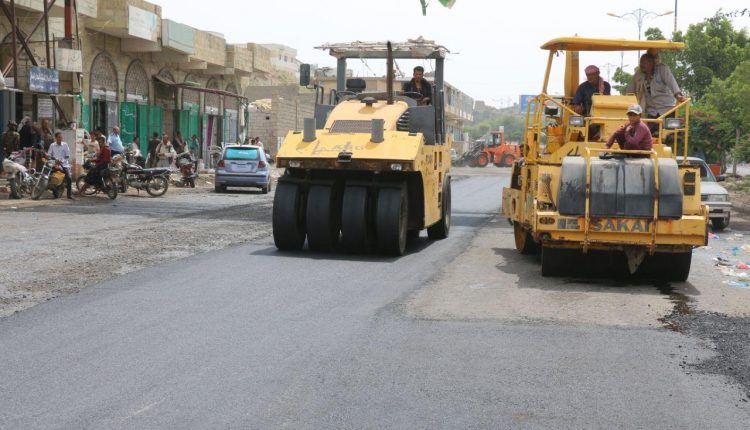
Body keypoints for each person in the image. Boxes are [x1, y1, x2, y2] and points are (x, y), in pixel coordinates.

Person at [625, 53, 686, 133]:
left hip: (667, 109)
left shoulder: (662, 69)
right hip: (651, 111)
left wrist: (678, 95)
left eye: (644, 62)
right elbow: (629, 90)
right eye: (640, 62)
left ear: (651, 63)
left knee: (672, 132)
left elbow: (672, 82)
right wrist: (625, 99)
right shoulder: (639, 75)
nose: (641, 65)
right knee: (650, 132)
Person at [47, 131, 75, 200]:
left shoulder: (65, 145)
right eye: (59, 137)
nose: (60, 139)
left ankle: (69, 195)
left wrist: (61, 161)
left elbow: (67, 155)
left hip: (64, 165)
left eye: (61, 137)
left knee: (69, 178)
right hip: (54, 164)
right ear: (56, 138)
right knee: (48, 177)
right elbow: (49, 155)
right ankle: (54, 192)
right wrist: (54, 160)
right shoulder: (52, 145)